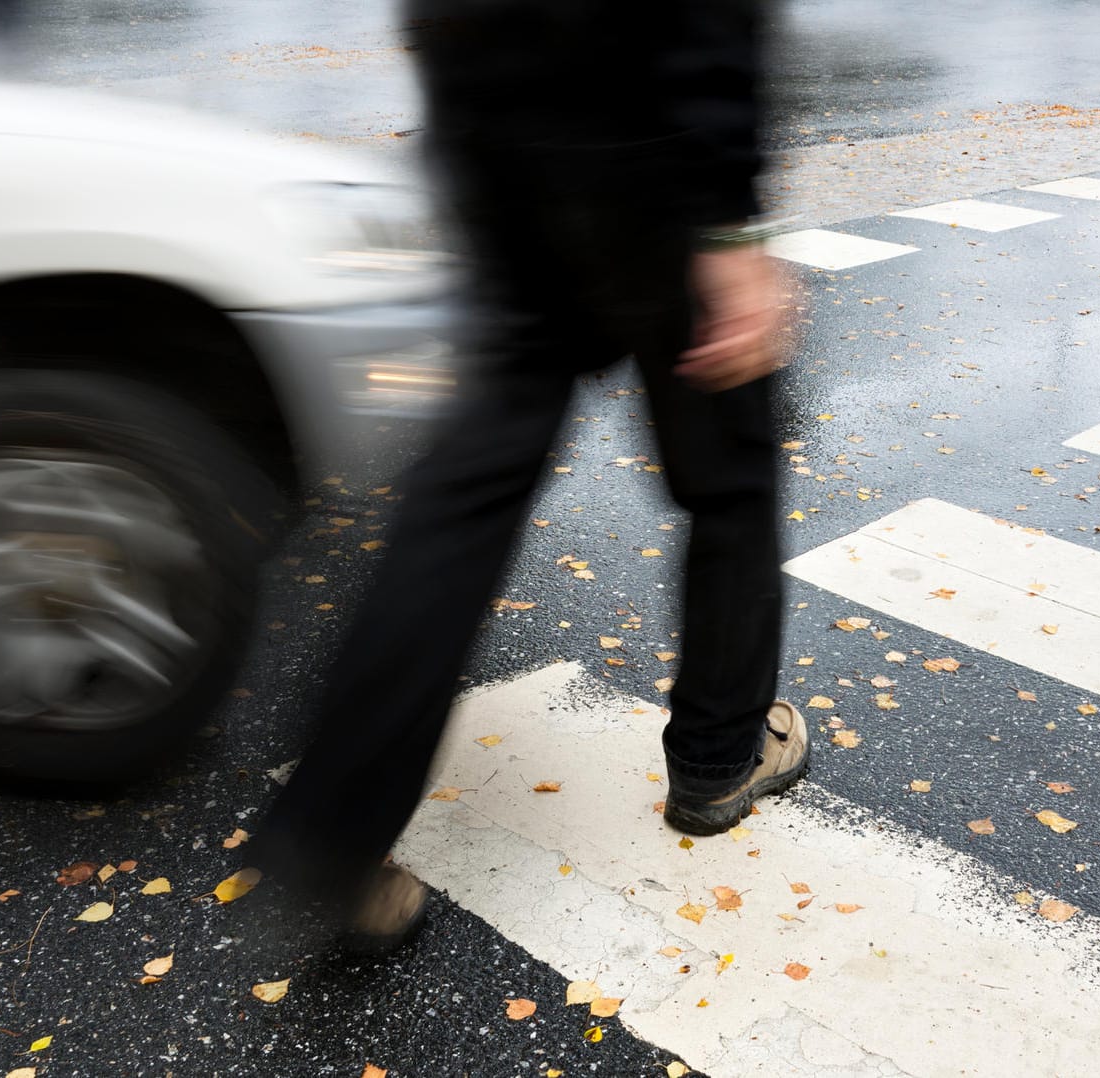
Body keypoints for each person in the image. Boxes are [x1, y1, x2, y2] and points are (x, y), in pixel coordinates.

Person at [244, 0, 807, 952]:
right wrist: (725, 226)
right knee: (730, 476)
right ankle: (718, 759)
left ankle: (331, 836)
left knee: (464, 499)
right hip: (645, 142)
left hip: (494, 137)